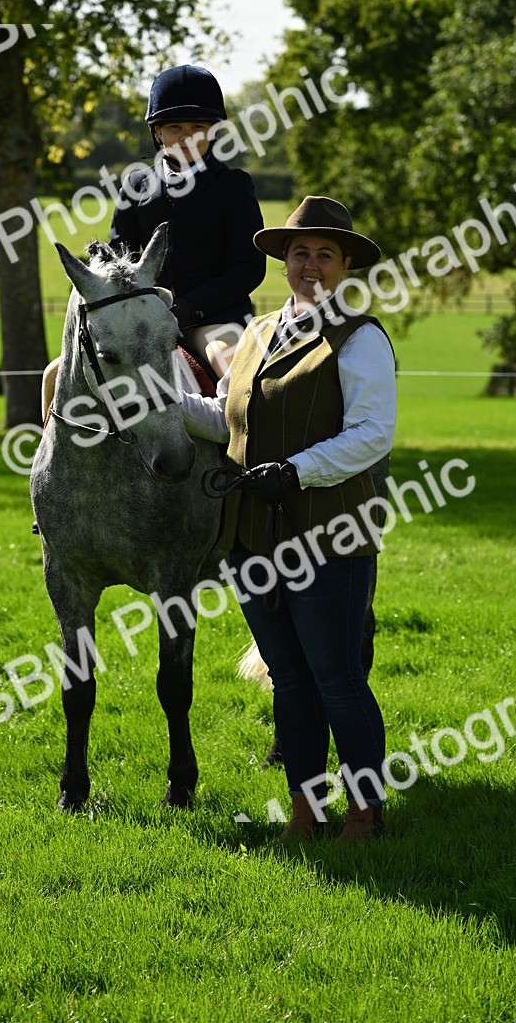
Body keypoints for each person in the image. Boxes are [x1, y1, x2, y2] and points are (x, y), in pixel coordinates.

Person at [179, 196, 396, 843]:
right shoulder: (256, 335)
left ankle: (365, 812)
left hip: (328, 537)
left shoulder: (361, 340)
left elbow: (371, 435)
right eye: (299, 252)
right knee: (292, 682)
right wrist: (156, 405)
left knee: (338, 680)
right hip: (252, 541)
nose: (310, 264)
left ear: (345, 264)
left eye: (324, 254)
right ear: (283, 262)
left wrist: (296, 471)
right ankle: (307, 809)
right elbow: (227, 418)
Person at [40, 64, 265, 418]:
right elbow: (118, 260)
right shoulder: (135, 187)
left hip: (213, 320)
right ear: (157, 132)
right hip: (143, 320)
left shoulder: (233, 185)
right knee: (55, 375)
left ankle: (253, 464)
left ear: (213, 131)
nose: (187, 136)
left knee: (240, 375)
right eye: (175, 127)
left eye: (198, 128)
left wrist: (192, 306)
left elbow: (248, 267)